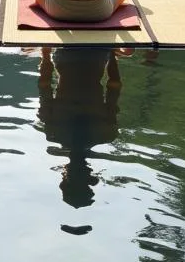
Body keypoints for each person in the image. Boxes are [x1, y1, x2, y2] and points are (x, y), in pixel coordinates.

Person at [37, 46, 123, 209]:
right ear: (63, 179)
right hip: (65, 56)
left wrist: (110, 52)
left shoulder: (106, 134)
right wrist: (46, 52)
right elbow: (44, 83)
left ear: (91, 177)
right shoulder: (53, 133)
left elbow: (114, 84)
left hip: (97, 56)